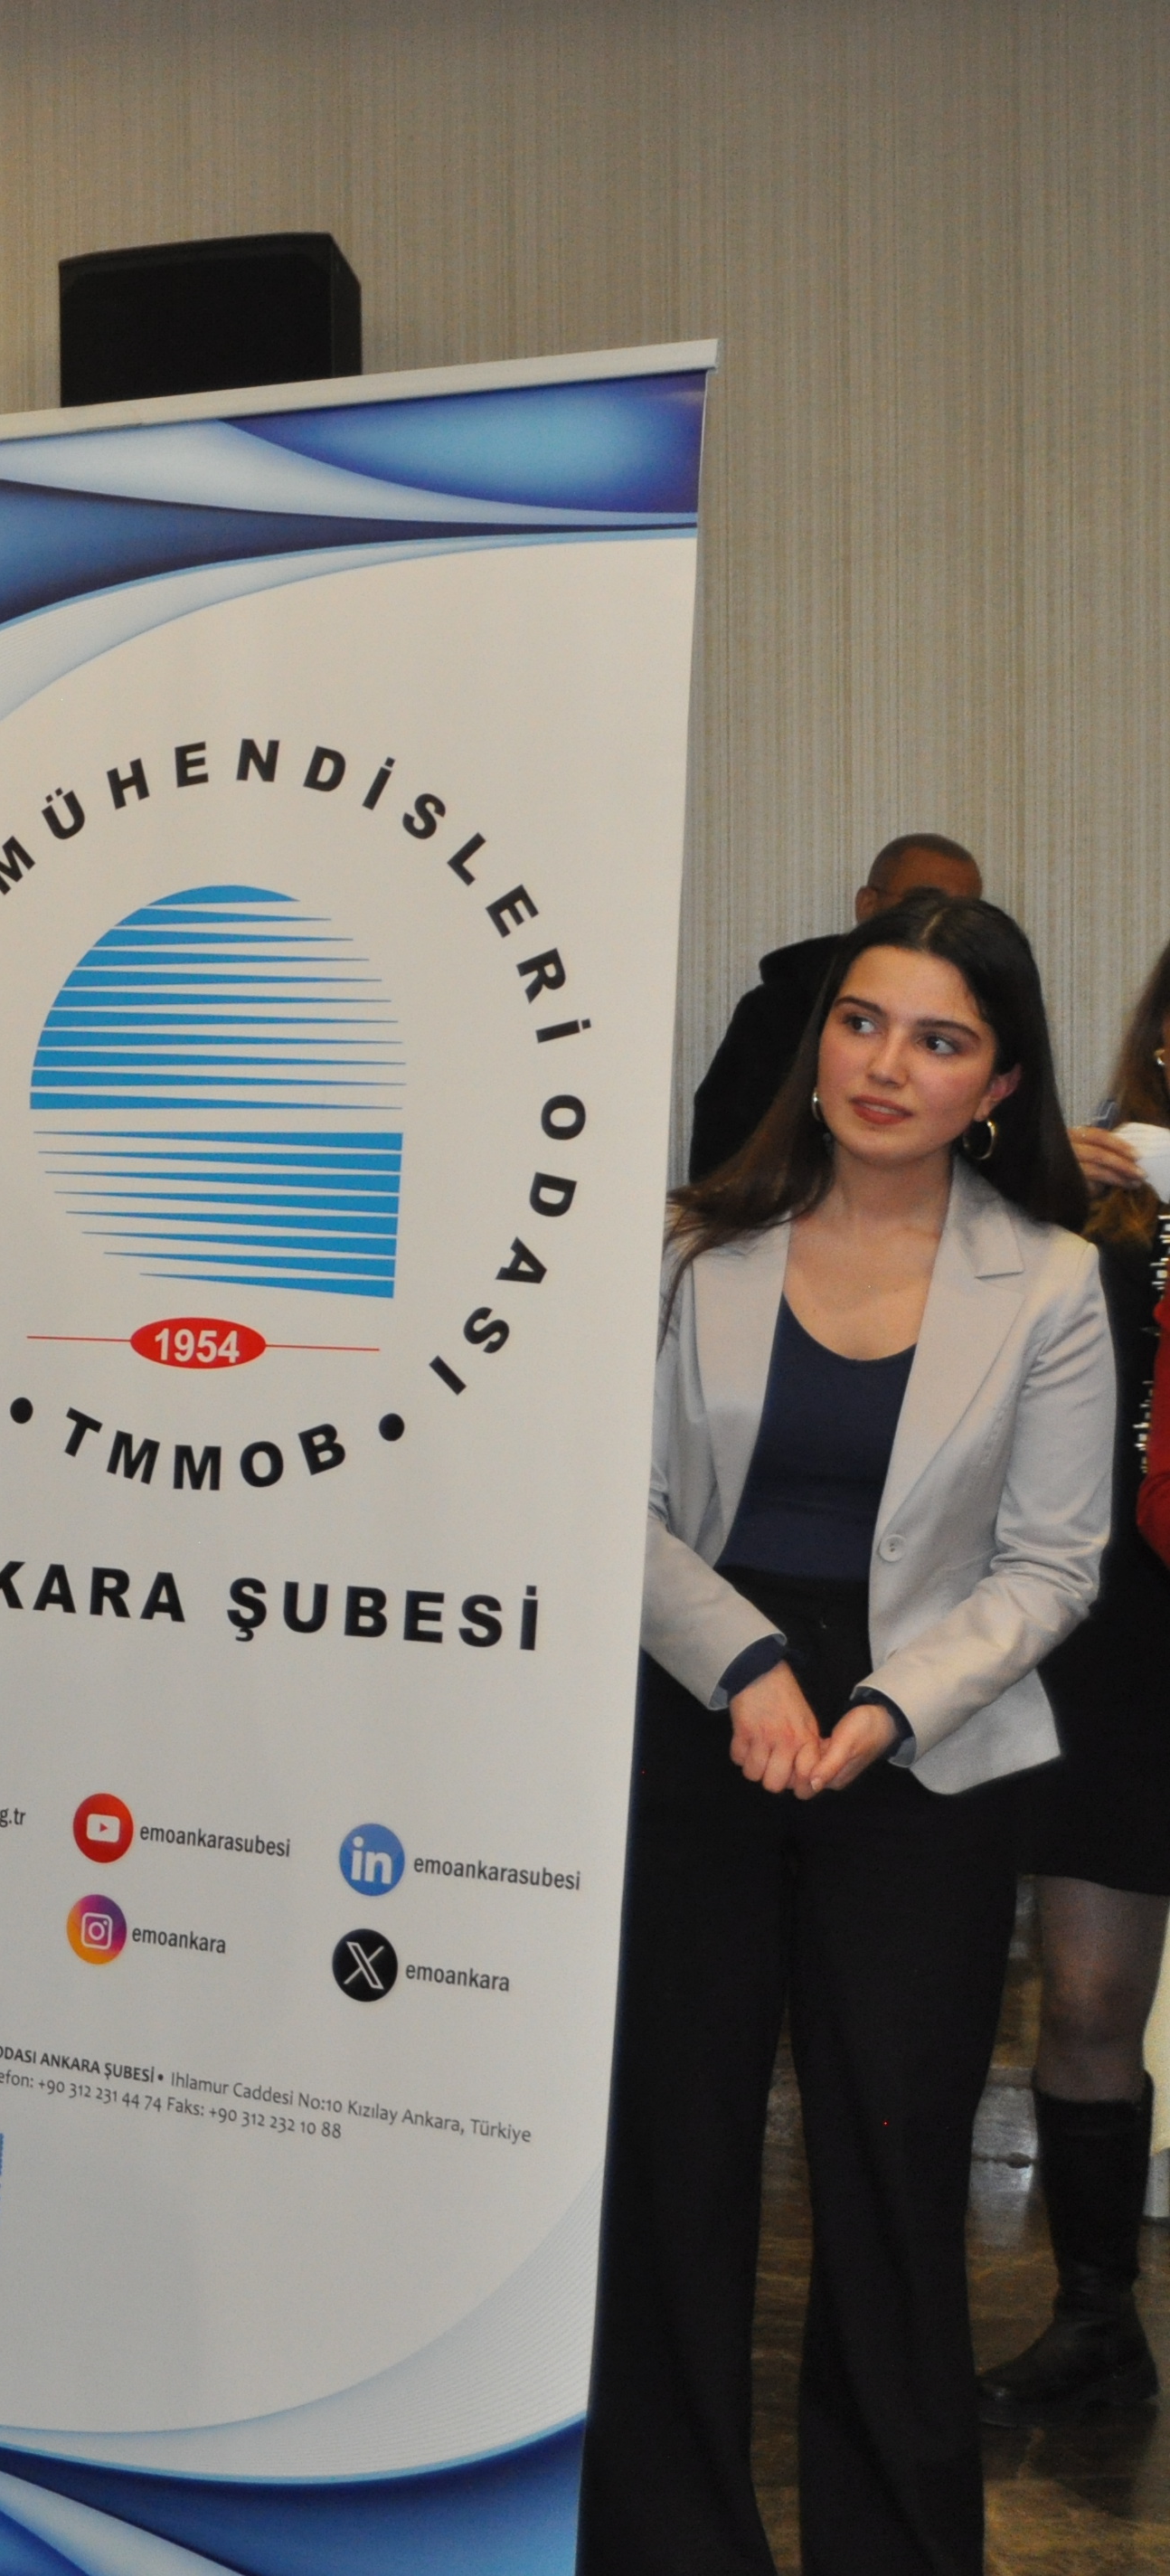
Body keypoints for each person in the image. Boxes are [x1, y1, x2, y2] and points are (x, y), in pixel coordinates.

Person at [587, 893, 1115, 2573]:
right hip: (698, 1713)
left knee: (891, 2169)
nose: (887, 1064)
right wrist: (742, 1662)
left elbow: (1052, 1563)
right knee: (674, 2154)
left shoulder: (1051, 1283)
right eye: (862, 1021)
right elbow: (605, 1500)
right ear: (816, 1043)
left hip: (925, 1754)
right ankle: (667, 2540)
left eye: (938, 1041)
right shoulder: (686, 1244)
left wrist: (885, 1705)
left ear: (998, 1085)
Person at [977, 934, 1170, 2426]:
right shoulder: (1088, 1210)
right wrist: (1022, 1172)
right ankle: (1096, 2321)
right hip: (1121, 1646)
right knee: (1090, 1993)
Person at [684, 832, 984, 1179]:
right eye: (859, 1025)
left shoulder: (983, 1021)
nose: (941, 923)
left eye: (936, 1043)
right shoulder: (781, 1011)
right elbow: (725, 1161)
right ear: (867, 904)